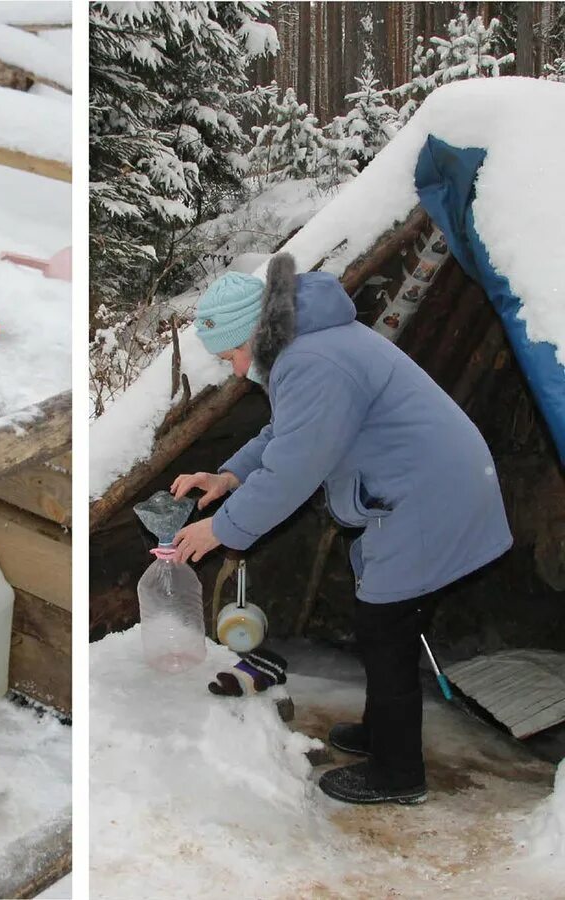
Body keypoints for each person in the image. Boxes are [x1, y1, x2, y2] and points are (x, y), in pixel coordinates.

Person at [169, 253, 511, 806]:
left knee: (385, 629)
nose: (234, 370)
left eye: (232, 354)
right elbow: (288, 432)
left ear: (253, 333)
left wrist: (222, 530)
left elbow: (295, 467)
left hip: (426, 497)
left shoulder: (311, 360)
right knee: (387, 622)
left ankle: (399, 775)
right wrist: (230, 474)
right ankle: (382, 734)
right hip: (421, 488)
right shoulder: (304, 345)